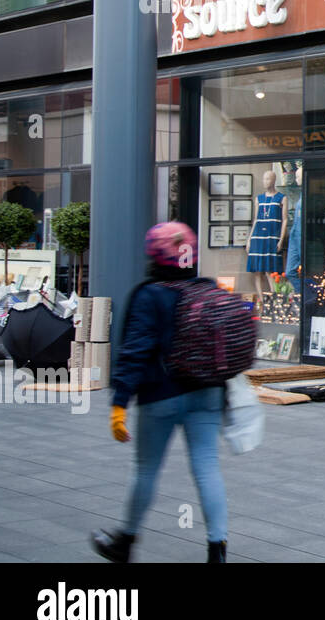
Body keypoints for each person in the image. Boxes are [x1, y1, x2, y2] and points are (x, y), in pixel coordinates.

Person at [91, 222, 230, 563]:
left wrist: (119, 404)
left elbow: (135, 351)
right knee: (208, 467)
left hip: (162, 395)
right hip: (208, 393)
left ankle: (125, 542)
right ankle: (217, 550)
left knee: (146, 470)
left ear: (154, 254)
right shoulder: (208, 288)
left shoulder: (148, 295)